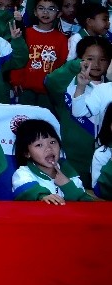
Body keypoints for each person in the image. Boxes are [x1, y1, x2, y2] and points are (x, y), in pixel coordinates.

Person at [45, 37, 110, 182]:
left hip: (102, 162)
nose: (96, 64)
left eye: (103, 59)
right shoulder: (67, 83)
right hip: (69, 161)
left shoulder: (109, 88)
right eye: (90, 59)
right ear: (80, 59)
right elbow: (50, 81)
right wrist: (76, 66)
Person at [11, 119, 96, 203]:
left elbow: (86, 202)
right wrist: (43, 197)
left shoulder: (69, 172)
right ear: (26, 153)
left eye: (52, 142)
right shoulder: (23, 173)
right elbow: (26, 192)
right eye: (39, 145)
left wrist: (67, 185)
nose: (49, 148)